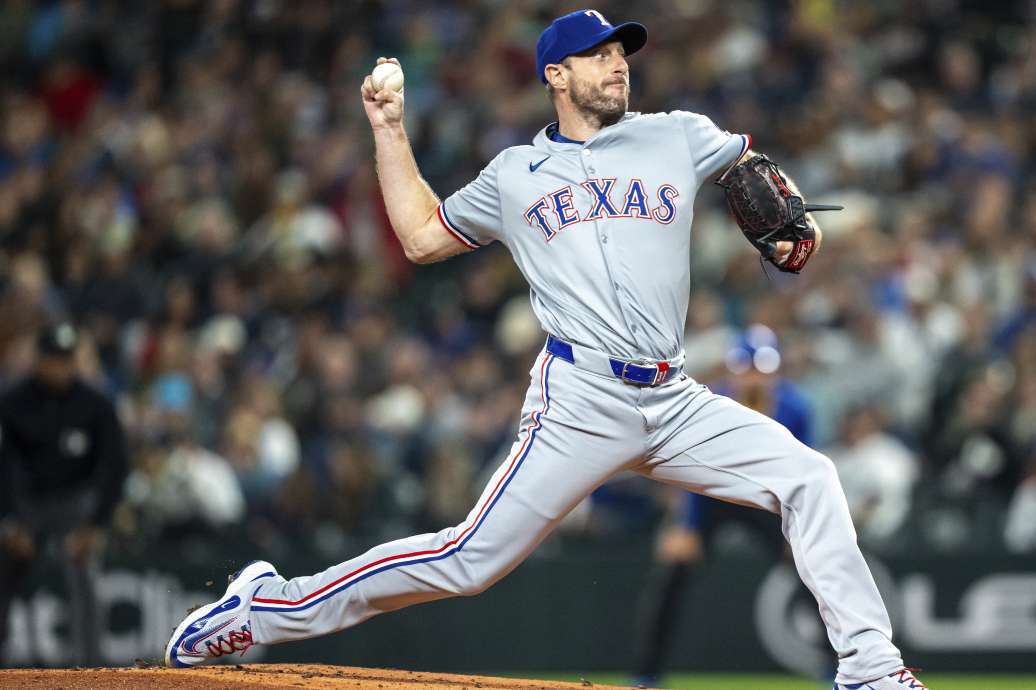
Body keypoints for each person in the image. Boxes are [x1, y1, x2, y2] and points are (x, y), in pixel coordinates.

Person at [165, 11, 923, 689]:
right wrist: (390, 131)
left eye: (621, 51)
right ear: (555, 75)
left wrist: (803, 232)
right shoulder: (514, 175)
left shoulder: (679, 133)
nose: (618, 62)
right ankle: (265, 610)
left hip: (677, 397)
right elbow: (422, 237)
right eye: (597, 54)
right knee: (466, 563)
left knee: (809, 477)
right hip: (581, 400)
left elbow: (769, 190)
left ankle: (870, 669)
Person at [630, 325, 823, 687]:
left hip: (766, 499)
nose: (752, 377)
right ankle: (647, 674)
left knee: (810, 570)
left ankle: (838, 666)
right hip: (710, 496)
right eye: (745, 367)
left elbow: (804, 472)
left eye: (761, 370)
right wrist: (685, 526)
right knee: (672, 573)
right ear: (732, 369)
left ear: (776, 372)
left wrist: (796, 528)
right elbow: (689, 462)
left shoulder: (796, 408)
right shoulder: (711, 400)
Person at [0, 323, 129, 667]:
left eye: (67, 359)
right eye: (55, 359)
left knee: (85, 578)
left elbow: (115, 467)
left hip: (75, 502)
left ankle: (91, 669)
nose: (62, 367)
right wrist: (10, 520)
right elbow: (4, 467)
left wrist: (95, 524)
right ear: (40, 360)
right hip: (26, 503)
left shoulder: (96, 404)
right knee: (5, 573)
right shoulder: (13, 402)